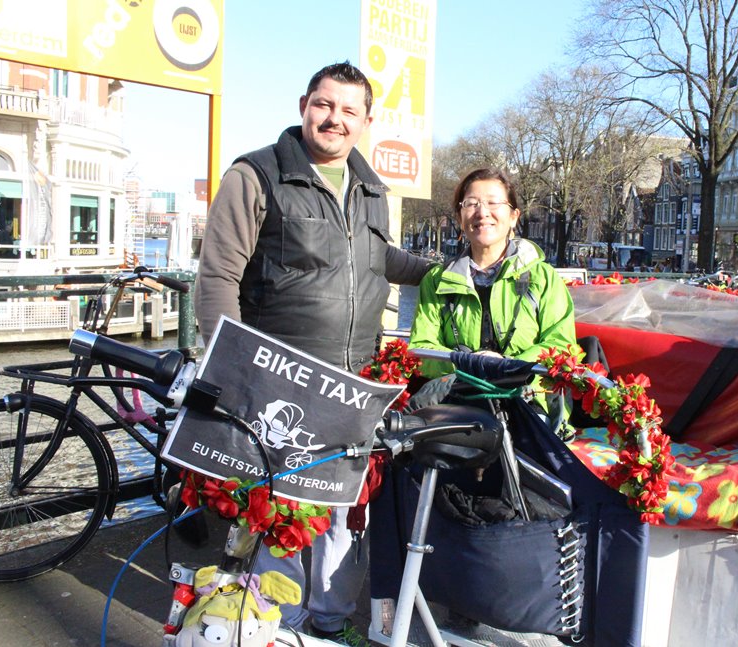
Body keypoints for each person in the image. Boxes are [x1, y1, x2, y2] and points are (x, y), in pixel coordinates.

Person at [193, 61, 431, 640]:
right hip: (280, 380)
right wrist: (232, 370)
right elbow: (219, 275)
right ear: (304, 105)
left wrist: (455, 274)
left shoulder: (372, 187)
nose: (335, 119)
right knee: (276, 516)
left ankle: (327, 623)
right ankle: (280, 624)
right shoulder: (256, 174)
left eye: (350, 111)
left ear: (366, 121)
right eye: (325, 105)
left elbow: (382, 261)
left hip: (351, 384)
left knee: (342, 516)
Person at [409, 167, 577, 406]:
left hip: (528, 401)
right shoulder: (437, 280)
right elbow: (422, 348)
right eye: (471, 203)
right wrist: (469, 364)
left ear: (513, 217)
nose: (482, 212)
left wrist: (506, 367)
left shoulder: (544, 278)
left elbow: (561, 346)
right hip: (458, 401)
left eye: (493, 203)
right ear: (459, 217)